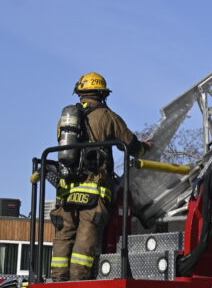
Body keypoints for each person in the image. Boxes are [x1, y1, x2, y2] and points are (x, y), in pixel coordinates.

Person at [50, 72, 151, 281]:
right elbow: (130, 145)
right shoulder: (107, 116)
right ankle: (78, 282)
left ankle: (58, 280)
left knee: (64, 234)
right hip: (93, 189)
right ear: (103, 94)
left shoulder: (65, 120)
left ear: (80, 92)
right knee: (86, 236)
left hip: (66, 189)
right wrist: (145, 148)